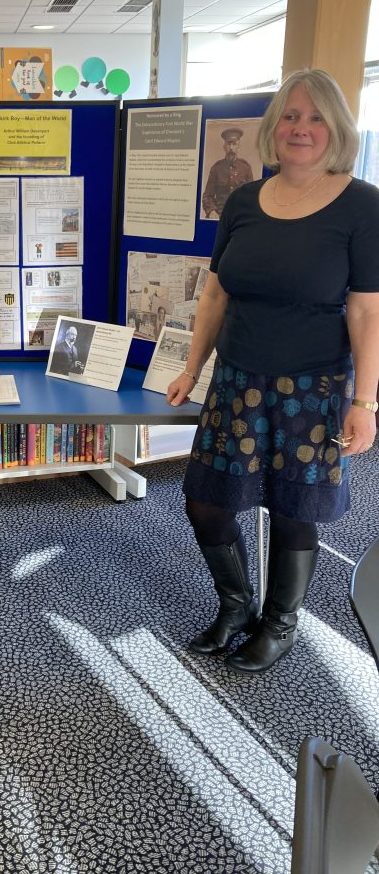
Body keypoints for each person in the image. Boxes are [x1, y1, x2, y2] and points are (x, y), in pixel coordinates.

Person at [167, 69, 379, 674]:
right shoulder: (242, 201)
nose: (301, 128)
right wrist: (192, 368)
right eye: (290, 115)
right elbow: (215, 294)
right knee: (206, 501)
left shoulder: (363, 205)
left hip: (313, 388)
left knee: (294, 510)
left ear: (337, 128)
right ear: (273, 126)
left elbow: (368, 310)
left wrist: (365, 403)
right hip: (237, 380)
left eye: (315, 117)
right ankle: (237, 605)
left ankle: (280, 623)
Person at [201, 127, 254, 219]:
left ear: (239, 146)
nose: (231, 148)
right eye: (228, 144)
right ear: (224, 146)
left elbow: (252, 195)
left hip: (239, 215)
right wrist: (212, 211)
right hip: (220, 215)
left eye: (234, 144)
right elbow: (207, 196)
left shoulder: (246, 168)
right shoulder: (216, 168)